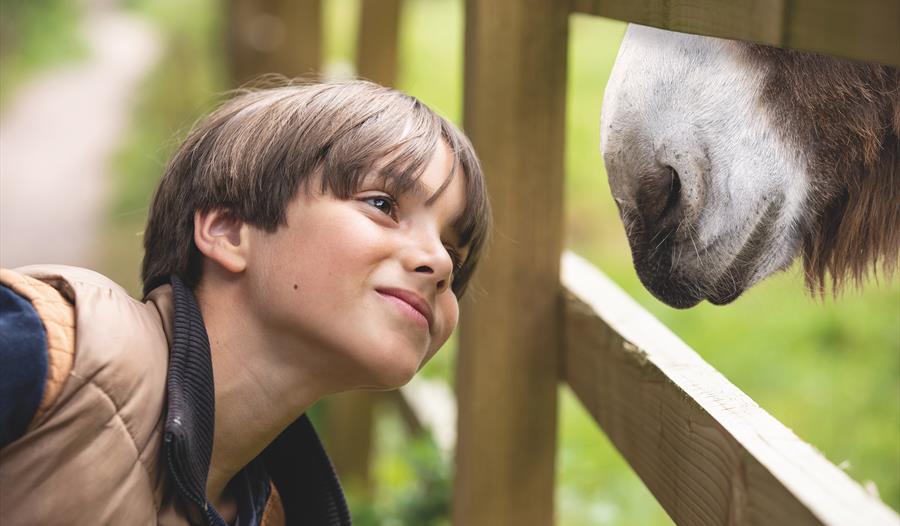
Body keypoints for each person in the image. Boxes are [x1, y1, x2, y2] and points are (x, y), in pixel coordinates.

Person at [0, 80, 491, 525]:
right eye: (381, 205)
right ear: (229, 230)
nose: (440, 263)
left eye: (455, 252)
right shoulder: (51, 347)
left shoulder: (285, 510)